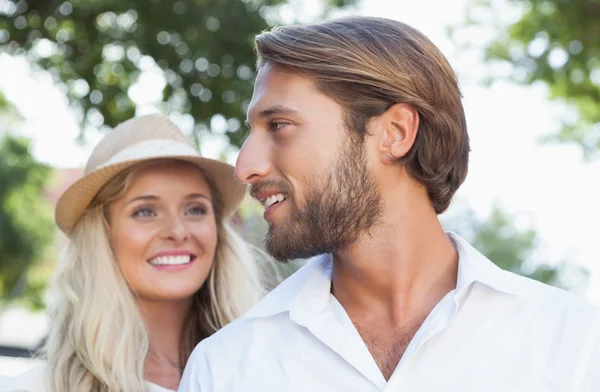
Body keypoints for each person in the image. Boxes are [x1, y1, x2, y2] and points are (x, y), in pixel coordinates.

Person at [178, 16, 600, 392]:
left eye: (280, 125)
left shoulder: (573, 345)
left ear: (395, 132)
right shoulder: (226, 367)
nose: (245, 166)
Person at [1, 114, 265, 392]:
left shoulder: (269, 367)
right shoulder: (39, 387)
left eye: (195, 209)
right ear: (102, 234)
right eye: (145, 211)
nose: (177, 230)